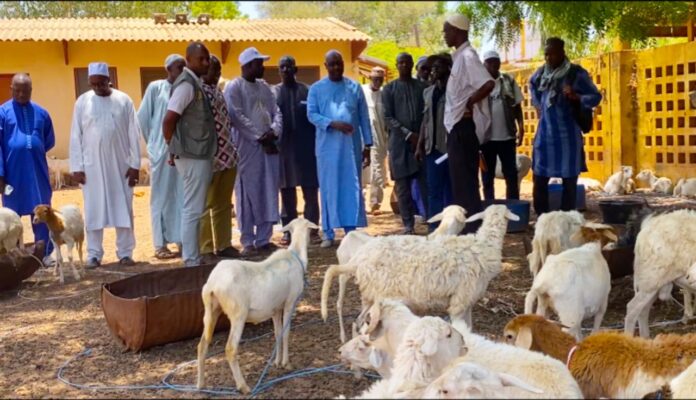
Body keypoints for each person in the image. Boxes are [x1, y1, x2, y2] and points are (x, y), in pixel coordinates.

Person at [69, 62, 140, 268]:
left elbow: (134, 133)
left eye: (101, 83)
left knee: (123, 209)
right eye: (93, 84)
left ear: (109, 80)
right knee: (93, 210)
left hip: (120, 166)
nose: (98, 87)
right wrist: (77, 167)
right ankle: (94, 254)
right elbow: (75, 135)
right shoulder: (83, 102)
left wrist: (135, 165)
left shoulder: (124, 100)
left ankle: (125, 253)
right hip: (92, 168)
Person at [307, 50, 372, 248]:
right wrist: (332, 123)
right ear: (325, 66)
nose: (336, 67)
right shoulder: (316, 89)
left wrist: (368, 145)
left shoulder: (354, 87)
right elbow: (311, 114)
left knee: (351, 186)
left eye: (339, 63)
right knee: (329, 187)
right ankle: (328, 233)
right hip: (327, 148)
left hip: (351, 148)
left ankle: (351, 230)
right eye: (332, 64)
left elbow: (363, 116)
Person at [530, 37, 601, 215]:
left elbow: (595, 97)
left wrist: (576, 96)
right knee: (539, 178)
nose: (548, 58)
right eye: (546, 54)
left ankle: (566, 218)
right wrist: (538, 105)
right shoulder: (541, 74)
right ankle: (542, 218)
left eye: (552, 54)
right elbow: (532, 86)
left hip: (568, 137)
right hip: (545, 136)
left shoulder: (576, 73)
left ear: (562, 53)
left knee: (569, 181)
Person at [162, 42, 217, 267]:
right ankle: (191, 260)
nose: (206, 63)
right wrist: (172, 146)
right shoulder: (186, 85)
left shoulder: (194, 83)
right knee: (193, 209)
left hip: (196, 154)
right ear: (189, 60)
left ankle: (193, 257)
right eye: (201, 59)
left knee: (194, 207)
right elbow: (169, 120)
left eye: (207, 58)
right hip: (192, 155)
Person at [224, 47, 282, 257]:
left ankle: (264, 239)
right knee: (246, 193)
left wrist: (274, 132)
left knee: (268, 190)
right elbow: (236, 116)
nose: (262, 67)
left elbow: (276, 112)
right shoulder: (234, 87)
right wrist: (259, 136)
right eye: (259, 64)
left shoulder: (265, 87)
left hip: (269, 148)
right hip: (247, 148)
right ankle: (248, 241)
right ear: (248, 65)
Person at [442, 14, 495, 234]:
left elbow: (488, 83)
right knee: (461, 185)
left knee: (466, 186)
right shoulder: (459, 58)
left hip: (463, 129)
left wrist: (470, 102)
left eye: (446, 30)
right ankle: (468, 230)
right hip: (456, 129)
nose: (444, 35)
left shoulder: (468, 56)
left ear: (457, 31)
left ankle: (472, 232)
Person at [0, 73, 56, 265]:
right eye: (17, 90)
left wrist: (31, 149)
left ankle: (45, 254)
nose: (22, 94)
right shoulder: (2, 113)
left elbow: (48, 140)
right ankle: (13, 256)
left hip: (36, 172)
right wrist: (0, 174)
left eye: (26, 91)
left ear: (31, 90)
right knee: (11, 216)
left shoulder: (42, 113)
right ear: (11, 89)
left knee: (42, 211)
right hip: (12, 174)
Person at [137, 54, 185, 260]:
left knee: (182, 195)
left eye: (184, 67)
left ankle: (182, 240)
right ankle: (160, 244)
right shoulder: (156, 88)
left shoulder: (186, 89)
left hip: (182, 152)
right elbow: (142, 119)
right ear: (168, 69)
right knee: (160, 197)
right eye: (178, 67)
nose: (182, 71)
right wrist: (155, 145)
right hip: (161, 152)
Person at [273, 55, 321, 245]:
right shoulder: (274, 93)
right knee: (287, 192)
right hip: (284, 148)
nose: (285, 70)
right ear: (279, 70)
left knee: (310, 191)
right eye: (282, 67)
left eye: (289, 66)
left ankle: (312, 230)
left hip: (306, 147)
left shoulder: (307, 91)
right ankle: (289, 231)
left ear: (296, 69)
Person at [382, 52, 428, 234]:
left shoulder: (422, 87)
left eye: (407, 63)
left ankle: (430, 220)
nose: (404, 66)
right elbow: (387, 117)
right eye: (400, 63)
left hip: (421, 143)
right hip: (399, 144)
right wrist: (408, 135)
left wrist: (420, 137)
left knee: (425, 184)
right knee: (403, 188)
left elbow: (427, 115)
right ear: (396, 65)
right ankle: (408, 224)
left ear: (412, 65)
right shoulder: (389, 89)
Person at [199, 54, 240, 260]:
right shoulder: (198, 92)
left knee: (223, 204)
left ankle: (224, 244)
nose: (216, 75)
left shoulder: (218, 91)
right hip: (210, 158)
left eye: (219, 71)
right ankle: (206, 248)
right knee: (205, 204)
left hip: (228, 156)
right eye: (213, 70)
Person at [480, 49, 525, 201]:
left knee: (511, 175)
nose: (493, 64)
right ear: (484, 64)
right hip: (486, 139)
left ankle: (513, 205)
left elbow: (517, 106)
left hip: (507, 138)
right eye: (489, 62)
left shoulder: (508, 80)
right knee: (487, 176)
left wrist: (521, 127)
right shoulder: (479, 83)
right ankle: (490, 206)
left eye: (496, 61)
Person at [415, 54, 453, 232]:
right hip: (432, 149)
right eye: (432, 67)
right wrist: (419, 145)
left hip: (450, 148)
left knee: (451, 190)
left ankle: (451, 228)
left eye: (438, 66)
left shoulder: (454, 91)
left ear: (448, 68)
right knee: (433, 191)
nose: (434, 70)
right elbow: (425, 120)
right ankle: (434, 229)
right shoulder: (428, 92)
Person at [361, 66, 388, 215]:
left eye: (380, 79)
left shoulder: (385, 94)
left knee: (377, 171)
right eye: (375, 79)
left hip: (380, 139)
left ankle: (375, 203)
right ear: (370, 78)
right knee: (363, 171)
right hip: (362, 138)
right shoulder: (362, 91)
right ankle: (360, 203)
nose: (378, 82)